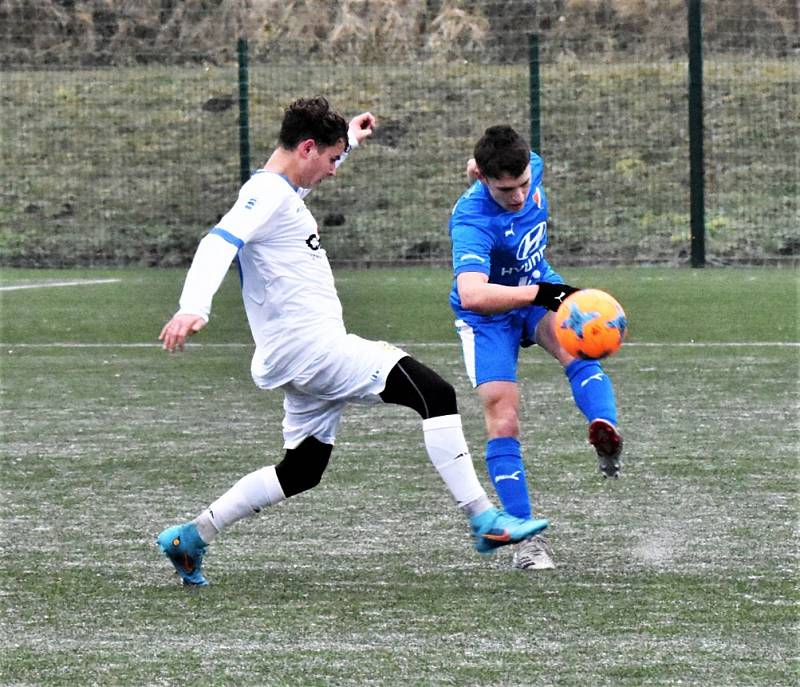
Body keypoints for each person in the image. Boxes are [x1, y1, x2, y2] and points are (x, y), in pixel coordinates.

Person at [155, 98, 549, 586]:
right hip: (313, 350)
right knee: (435, 394)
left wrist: (351, 141)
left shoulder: (282, 192)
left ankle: (190, 537)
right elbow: (218, 242)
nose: (333, 171)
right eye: (330, 158)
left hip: (299, 355)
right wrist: (195, 305)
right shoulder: (266, 193)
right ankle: (483, 519)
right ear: (306, 148)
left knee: (302, 470)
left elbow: (301, 179)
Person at [448, 125, 623, 571]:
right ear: (487, 181)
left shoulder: (530, 166)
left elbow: (492, 167)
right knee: (503, 420)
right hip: (489, 317)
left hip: (535, 290)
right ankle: (529, 542)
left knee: (581, 351)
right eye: (507, 189)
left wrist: (543, 292)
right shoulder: (471, 219)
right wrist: (542, 294)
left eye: (525, 184)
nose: (520, 196)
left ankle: (605, 430)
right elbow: (473, 294)